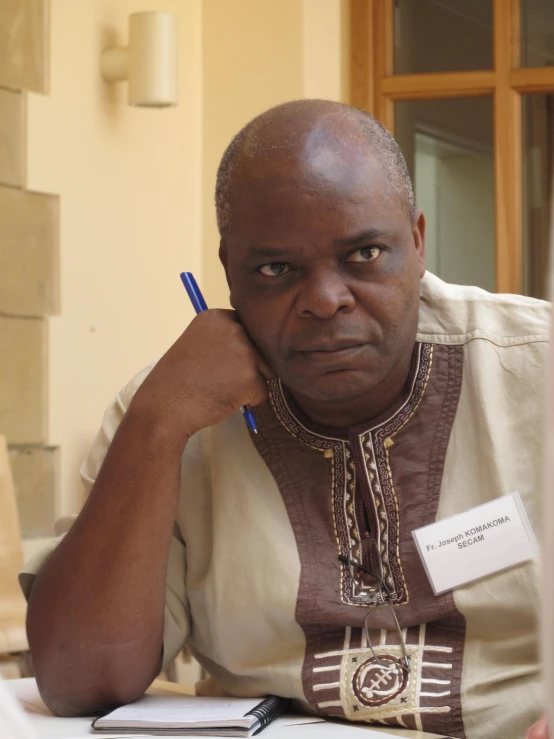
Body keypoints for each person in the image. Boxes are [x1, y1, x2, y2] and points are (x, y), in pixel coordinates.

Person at [20, 100, 550, 738]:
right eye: (277, 269)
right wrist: (156, 426)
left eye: (364, 254)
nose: (325, 301)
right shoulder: (170, 414)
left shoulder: (535, 369)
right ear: (229, 273)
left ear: (416, 240)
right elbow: (81, 682)